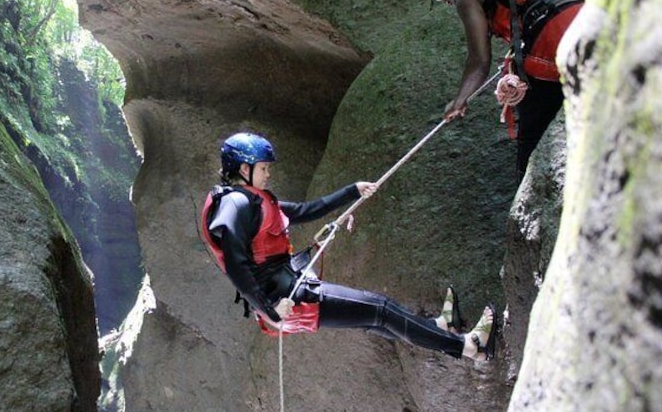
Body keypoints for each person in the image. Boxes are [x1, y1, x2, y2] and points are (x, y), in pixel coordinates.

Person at [201, 132, 496, 361]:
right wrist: (270, 310)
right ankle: (469, 347)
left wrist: (352, 191)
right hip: (286, 299)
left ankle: (438, 327)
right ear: (243, 168)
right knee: (381, 309)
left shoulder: (252, 200)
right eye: (264, 168)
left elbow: (306, 210)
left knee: (378, 319)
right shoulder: (236, 203)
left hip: (287, 291)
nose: (268, 174)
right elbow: (236, 264)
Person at [420, 0, 594, 176]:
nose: (448, 2)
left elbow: (479, 61)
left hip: (554, 35)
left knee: (531, 131)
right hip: (591, 11)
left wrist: (460, 100)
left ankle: (533, 189)